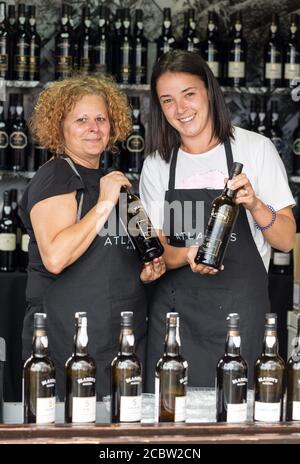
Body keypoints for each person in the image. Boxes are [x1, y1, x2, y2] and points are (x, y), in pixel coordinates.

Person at [140, 50, 296, 391]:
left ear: (209, 91)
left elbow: (285, 239)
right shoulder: (157, 164)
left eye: (189, 95)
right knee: (170, 422)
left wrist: (254, 205)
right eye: (168, 100)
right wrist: (186, 255)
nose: (180, 110)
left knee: (239, 420)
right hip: (175, 321)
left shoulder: (255, 149)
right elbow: (157, 250)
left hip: (240, 317)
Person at [20, 75, 166, 399]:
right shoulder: (56, 175)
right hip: (67, 338)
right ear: (60, 128)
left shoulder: (113, 181)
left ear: (113, 127)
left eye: (101, 119)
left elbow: (121, 257)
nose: (93, 127)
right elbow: (56, 257)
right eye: (81, 119)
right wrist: (103, 203)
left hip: (119, 337)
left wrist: (147, 272)